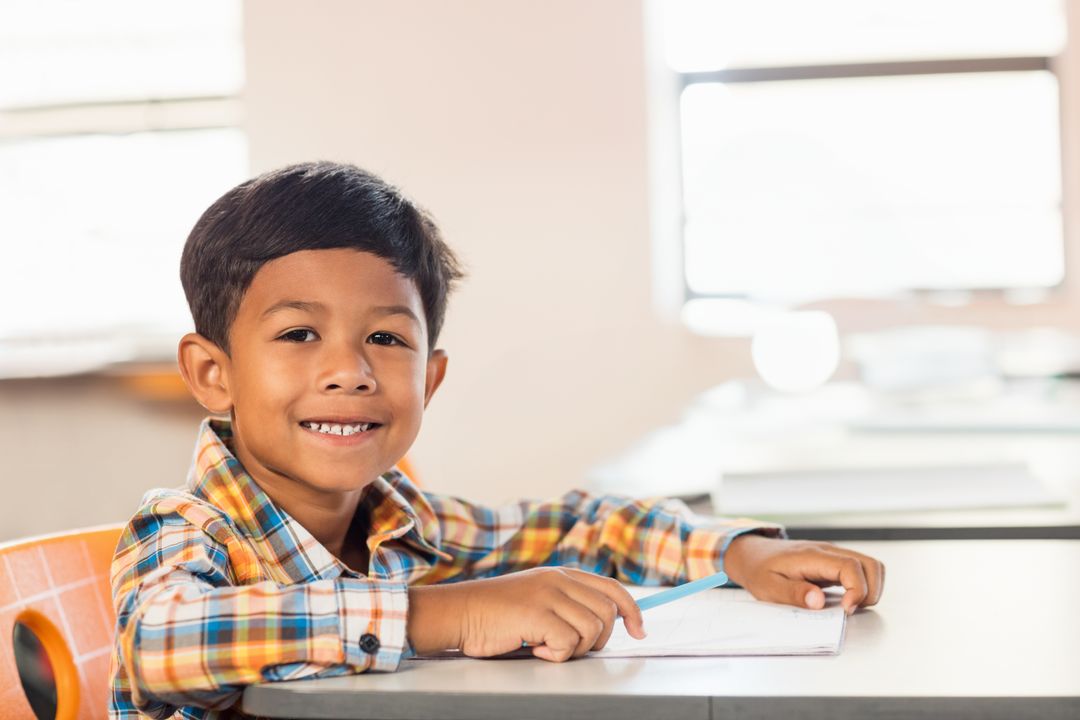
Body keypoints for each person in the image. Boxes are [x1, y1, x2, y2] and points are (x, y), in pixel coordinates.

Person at [108, 162, 885, 718]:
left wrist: (736, 555)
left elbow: (582, 526)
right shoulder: (184, 529)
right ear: (213, 373)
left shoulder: (404, 526)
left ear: (431, 379)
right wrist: (449, 615)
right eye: (299, 333)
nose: (348, 371)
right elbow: (160, 641)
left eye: (385, 337)